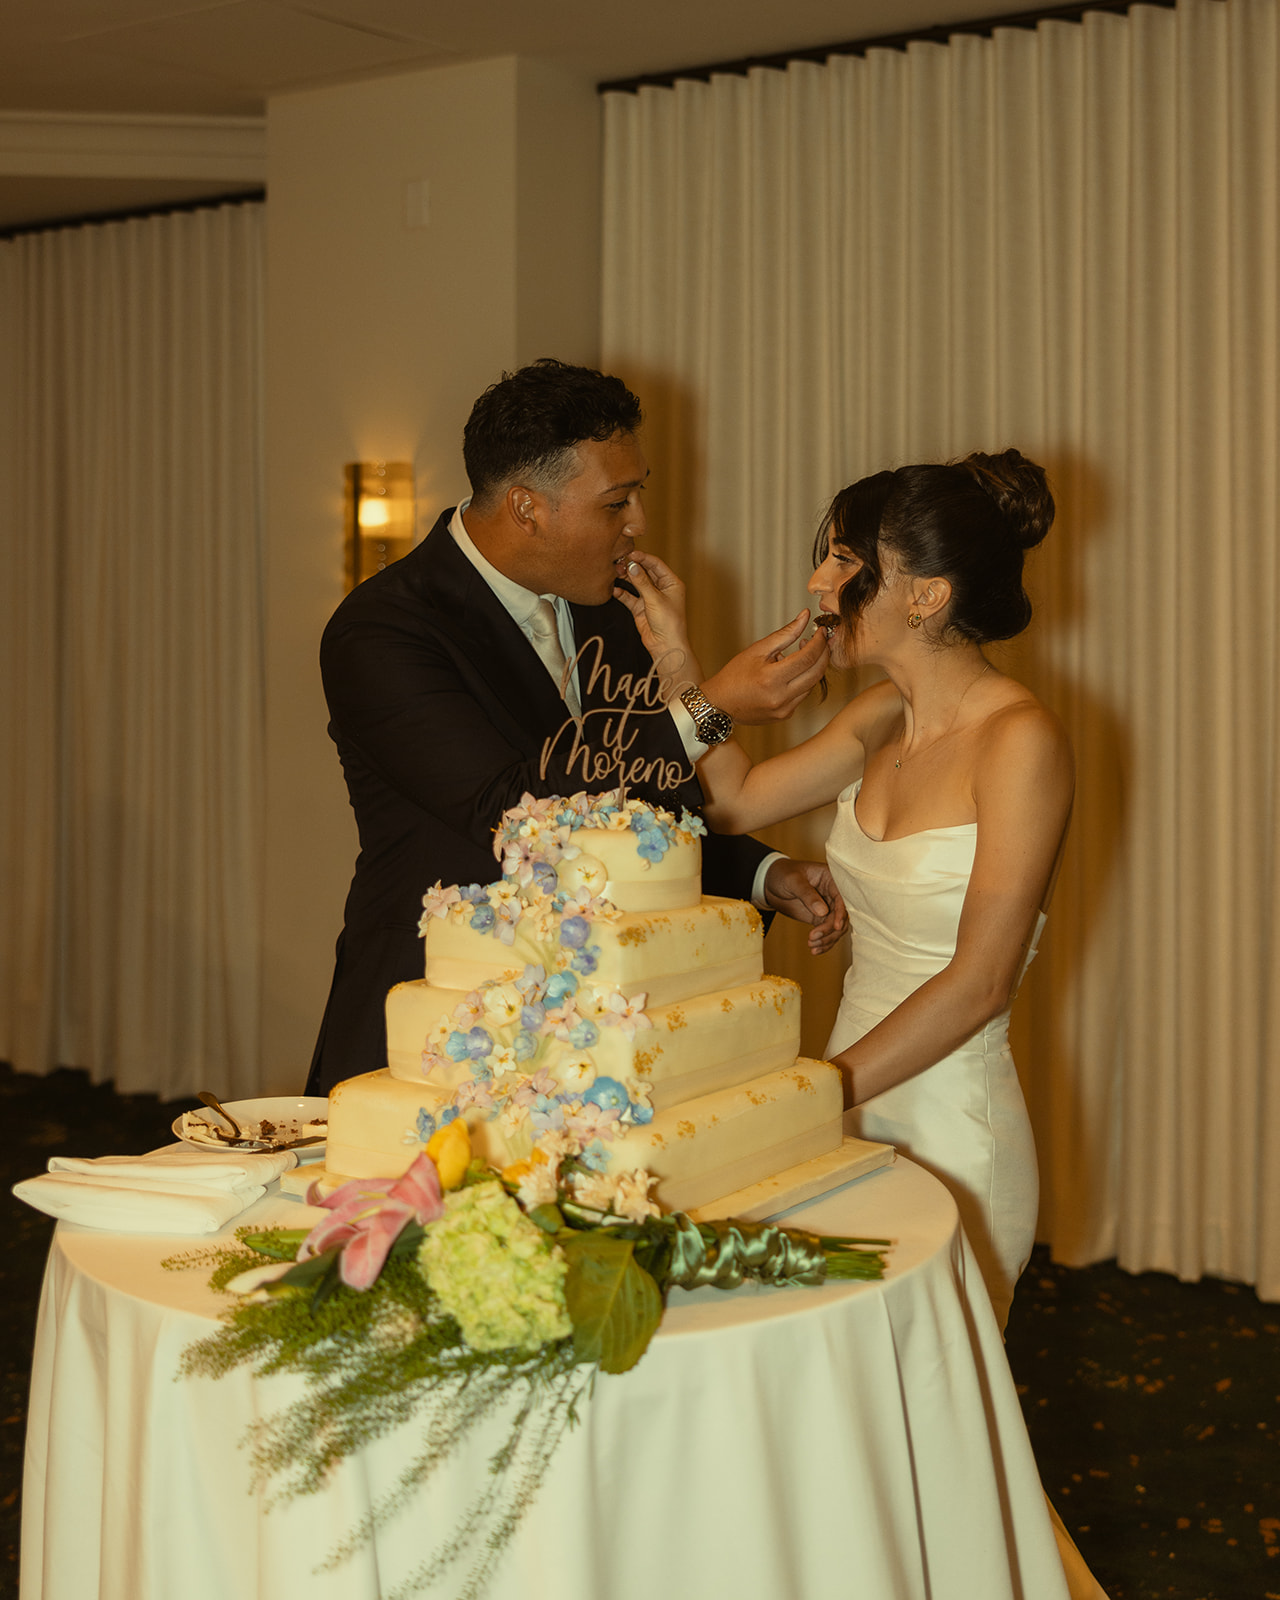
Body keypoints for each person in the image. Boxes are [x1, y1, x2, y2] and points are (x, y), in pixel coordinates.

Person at [617, 449, 1074, 1331]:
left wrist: (814, 1092)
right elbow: (735, 799)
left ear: (925, 595)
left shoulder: (1022, 741)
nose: (819, 581)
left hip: (947, 1122)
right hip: (844, 1104)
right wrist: (683, 665)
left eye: (845, 562)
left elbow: (980, 983)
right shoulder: (877, 718)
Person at [306, 359, 843, 1096]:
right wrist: (711, 705)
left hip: (597, 1025)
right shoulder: (383, 630)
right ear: (528, 507)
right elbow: (512, 809)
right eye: (616, 503)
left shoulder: (609, 609)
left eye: (638, 496)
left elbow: (636, 805)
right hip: (437, 1016)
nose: (639, 525)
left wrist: (759, 872)